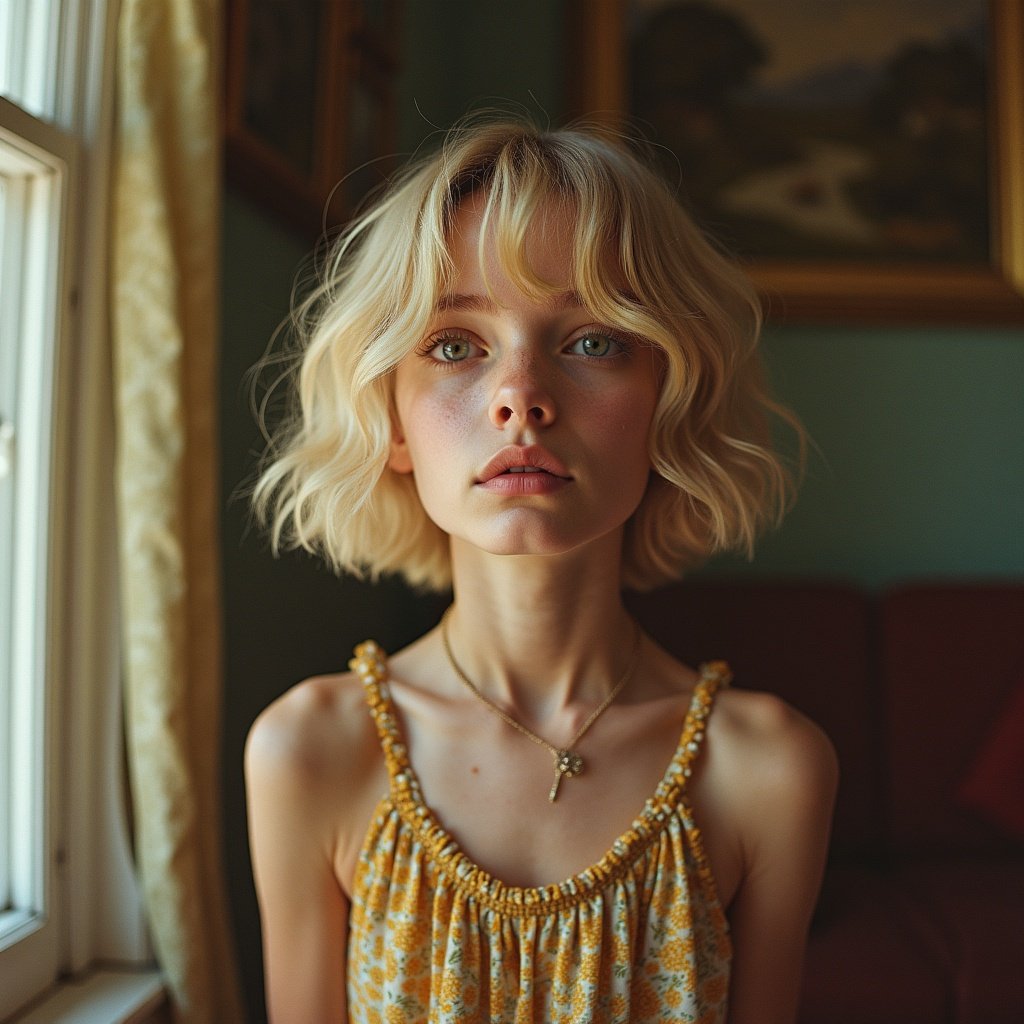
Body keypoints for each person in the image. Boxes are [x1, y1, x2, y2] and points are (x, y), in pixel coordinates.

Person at [245, 116, 838, 1024]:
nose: (521, 395)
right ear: (391, 422)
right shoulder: (310, 753)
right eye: (455, 344)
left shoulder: (767, 771)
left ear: (668, 406)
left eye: (593, 339)